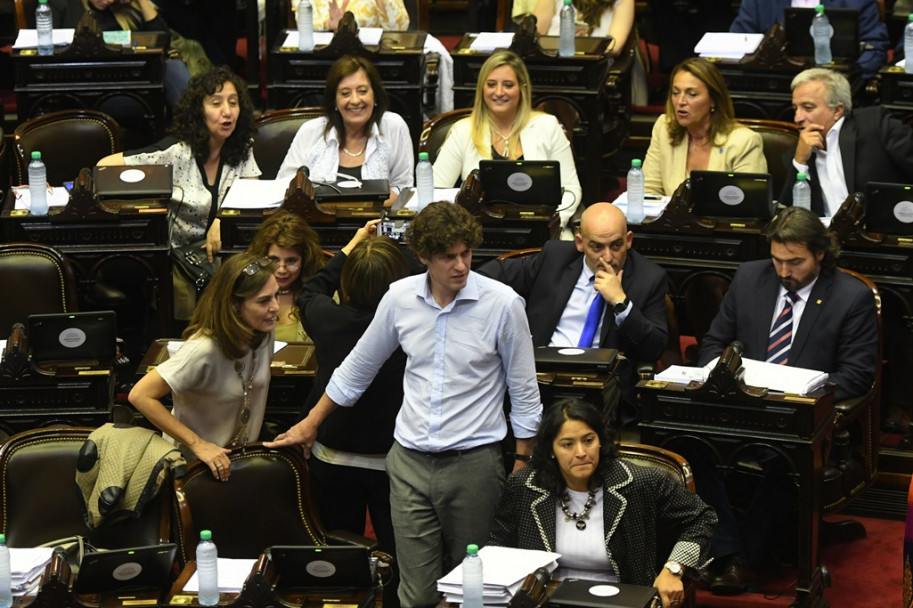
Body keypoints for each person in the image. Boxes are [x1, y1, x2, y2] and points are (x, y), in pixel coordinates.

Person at [265, 202, 543, 608]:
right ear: (425, 257)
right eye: (448, 257)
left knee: (476, 588)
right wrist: (311, 423)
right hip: (408, 462)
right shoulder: (399, 298)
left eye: (466, 253)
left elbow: (524, 391)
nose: (461, 265)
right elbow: (357, 369)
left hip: (474, 465)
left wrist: (521, 462)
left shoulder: (503, 304)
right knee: (415, 592)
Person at [692, 206, 878, 594]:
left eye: (795, 262)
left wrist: (802, 392)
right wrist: (721, 376)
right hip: (739, 405)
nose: (783, 271)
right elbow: (713, 342)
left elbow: (858, 374)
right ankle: (731, 550)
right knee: (692, 445)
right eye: (777, 260)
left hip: (799, 417)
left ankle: (740, 559)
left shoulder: (851, 297)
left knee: (784, 459)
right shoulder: (748, 279)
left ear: (820, 254)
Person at [488, 398, 716, 608]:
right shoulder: (524, 486)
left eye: (588, 441)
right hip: (546, 600)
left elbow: (702, 518)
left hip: (623, 599)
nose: (581, 452)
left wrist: (673, 569)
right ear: (551, 451)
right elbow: (498, 546)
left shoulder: (640, 483)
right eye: (567, 444)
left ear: (600, 441)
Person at [478, 202, 668, 425]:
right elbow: (492, 275)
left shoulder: (649, 278)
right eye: (597, 247)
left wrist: (621, 303)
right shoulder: (555, 257)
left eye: (616, 245)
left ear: (628, 240)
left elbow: (655, 346)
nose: (607, 257)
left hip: (599, 389)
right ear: (580, 243)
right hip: (539, 376)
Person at [98, 67, 260, 324]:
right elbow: (106, 165)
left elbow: (251, 195)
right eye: (216, 103)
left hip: (228, 257)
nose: (227, 112)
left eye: (233, 103)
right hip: (180, 262)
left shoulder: (242, 148)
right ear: (199, 110)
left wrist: (222, 220)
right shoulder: (174, 152)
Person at [297, 219, 409, 565]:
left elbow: (311, 290)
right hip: (394, 459)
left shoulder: (327, 319)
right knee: (398, 560)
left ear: (345, 285)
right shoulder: (412, 326)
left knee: (340, 560)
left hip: (333, 458)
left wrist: (351, 247)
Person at [128, 253, 278, 480]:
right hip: (194, 468)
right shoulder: (203, 349)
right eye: (264, 300)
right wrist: (198, 444)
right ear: (235, 306)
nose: (275, 307)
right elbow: (140, 395)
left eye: (277, 295)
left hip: (238, 460)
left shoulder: (264, 332)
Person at [432, 50, 582, 239]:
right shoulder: (463, 130)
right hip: (476, 234)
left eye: (508, 85)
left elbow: (571, 189)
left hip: (542, 232)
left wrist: (551, 221)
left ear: (523, 88)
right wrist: (463, 223)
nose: (499, 92)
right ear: (482, 89)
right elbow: (436, 190)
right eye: (491, 85)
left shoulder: (548, 126)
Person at [276, 55, 414, 207]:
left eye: (362, 91)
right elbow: (283, 188)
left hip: (377, 225)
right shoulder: (310, 131)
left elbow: (404, 190)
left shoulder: (394, 127)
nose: (355, 100)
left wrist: (357, 207)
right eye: (345, 93)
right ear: (334, 100)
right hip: (317, 224)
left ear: (375, 96)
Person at [779, 68, 913, 217]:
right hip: (827, 237)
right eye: (795, 108)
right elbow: (788, 218)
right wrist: (800, 162)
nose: (798, 118)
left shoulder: (875, 125)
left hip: (886, 232)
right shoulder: (795, 155)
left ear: (837, 110)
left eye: (808, 108)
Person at [642, 57, 767, 196]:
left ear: (713, 100)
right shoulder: (664, 128)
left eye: (692, 94)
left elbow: (749, 204)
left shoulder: (744, 142)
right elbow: (648, 191)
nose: (681, 101)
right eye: (675, 93)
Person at [49, 0, 192, 108]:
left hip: (132, 80)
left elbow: (162, 40)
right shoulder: (65, 5)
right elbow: (45, 47)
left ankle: (198, 129)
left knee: (172, 66)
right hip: (91, 87)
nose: (110, 1)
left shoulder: (122, 10)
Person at [729, 0, 888, 81]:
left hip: (835, 86)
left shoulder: (857, 1)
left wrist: (848, 76)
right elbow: (737, 43)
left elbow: (874, 48)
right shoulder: (759, 2)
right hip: (771, 84)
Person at [247, 210, 325, 344]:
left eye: (291, 261)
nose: (282, 270)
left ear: (304, 260)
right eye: (274, 260)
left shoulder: (322, 294)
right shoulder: (245, 292)